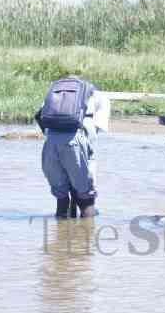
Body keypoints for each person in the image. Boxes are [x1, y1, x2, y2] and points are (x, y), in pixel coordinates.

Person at [35, 76, 110, 218]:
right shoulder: (99, 96)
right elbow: (95, 132)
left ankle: (60, 235)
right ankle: (85, 233)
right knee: (86, 197)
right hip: (77, 139)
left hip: (51, 140)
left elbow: (41, 117)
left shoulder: (55, 92)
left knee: (61, 196)